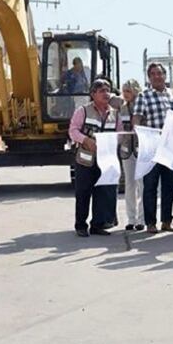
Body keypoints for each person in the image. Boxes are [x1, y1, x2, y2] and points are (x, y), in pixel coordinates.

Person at [69, 79, 120, 237]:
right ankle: (81, 225)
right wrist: (85, 140)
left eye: (108, 90)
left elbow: (120, 134)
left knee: (102, 192)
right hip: (85, 159)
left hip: (105, 160)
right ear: (93, 94)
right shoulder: (83, 111)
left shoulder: (114, 114)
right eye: (102, 91)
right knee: (83, 192)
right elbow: (73, 131)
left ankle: (98, 225)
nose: (106, 93)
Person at [133, 62, 173, 234]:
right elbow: (136, 119)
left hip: (170, 149)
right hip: (152, 148)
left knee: (169, 185)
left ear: (165, 75)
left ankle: (167, 221)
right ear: (149, 77)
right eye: (153, 74)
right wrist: (139, 137)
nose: (157, 76)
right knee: (150, 186)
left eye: (159, 73)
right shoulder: (143, 96)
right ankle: (150, 223)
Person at [119, 79, 143, 231]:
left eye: (128, 91)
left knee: (142, 184)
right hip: (126, 150)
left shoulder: (142, 106)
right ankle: (131, 218)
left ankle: (141, 219)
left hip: (141, 149)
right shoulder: (121, 109)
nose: (125, 94)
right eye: (124, 91)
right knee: (129, 184)